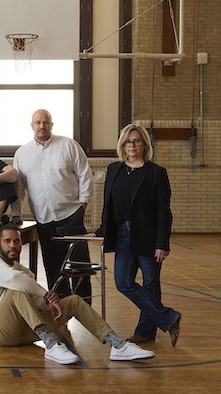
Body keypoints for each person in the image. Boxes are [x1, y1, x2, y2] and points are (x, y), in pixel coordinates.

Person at [0, 224, 155, 365]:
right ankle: (50, 344)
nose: (13, 245)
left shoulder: (20, 268)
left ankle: (117, 344)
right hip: (1, 334)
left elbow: (35, 299)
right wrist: (47, 295)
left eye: (16, 241)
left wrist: (50, 302)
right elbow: (17, 281)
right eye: (7, 241)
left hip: (26, 332)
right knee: (16, 291)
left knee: (73, 301)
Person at [91, 124, 181, 346]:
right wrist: (102, 230)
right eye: (128, 142)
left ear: (144, 145)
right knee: (123, 282)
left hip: (148, 236)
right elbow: (108, 205)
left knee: (151, 283)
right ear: (122, 145)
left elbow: (163, 212)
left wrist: (162, 243)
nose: (132, 145)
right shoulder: (114, 170)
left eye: (137, 141)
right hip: (122, 234)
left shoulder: (156, 173)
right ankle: (169, 317)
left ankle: (145, 332)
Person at [11, 109, 93, 302]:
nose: (42, 126)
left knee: (80, 264)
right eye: (38, 122)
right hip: (43, 218)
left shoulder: (69, 145)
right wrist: (16, 212)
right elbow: (18, 187)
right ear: (32, 126)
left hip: (71, 213)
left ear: (51, 124)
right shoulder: (22, 154)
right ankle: (61, 308)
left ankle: (85, 307)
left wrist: (83, 203)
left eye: (45, 122)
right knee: (53, 266)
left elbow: (85, 175)